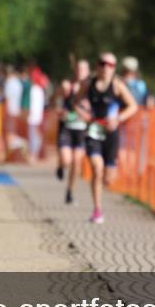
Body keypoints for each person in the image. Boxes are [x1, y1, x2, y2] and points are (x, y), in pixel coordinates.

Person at [74, 52, 138, 223]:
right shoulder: (89, 84)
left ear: (114, 68)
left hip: (111, 134)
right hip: (93, 130)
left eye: (110, 64)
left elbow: (133, 106)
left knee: (108, 178)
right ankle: (97, 210)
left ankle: (102, 188)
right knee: (97, 167)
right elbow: (75, 101)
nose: (105, 67)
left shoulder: (117, 86)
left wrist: (118, 119)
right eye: (102, 63)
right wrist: (84, 113)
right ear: (97, 65)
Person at [55, 59, 90, 204]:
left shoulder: (90, 88)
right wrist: (59, 109)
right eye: (78, 69)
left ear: (88, 71)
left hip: (82, 130)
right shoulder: (67, 86)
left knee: (76, 162)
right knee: (67, 160)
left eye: (83, 69)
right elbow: (55, 99)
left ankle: (70, 191)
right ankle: (61, 166)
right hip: (67, 128)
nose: (80, 71)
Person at [28, 67, 47, 163]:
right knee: (36, 136)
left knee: (34, 136)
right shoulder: (39, 90)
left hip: (34, 117)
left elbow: (32, 104)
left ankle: (33, 155)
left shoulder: (35, 89)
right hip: (37, 116)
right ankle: (33, 154)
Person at [3, 64, 24, 154]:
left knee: (9, 131)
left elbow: (7, 98)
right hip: (17, 110)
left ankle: (18, 145)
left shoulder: (9, 83)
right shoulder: (18, 83)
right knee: (13, 131)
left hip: (10, 110)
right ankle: (16, 147)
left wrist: (6, 111)